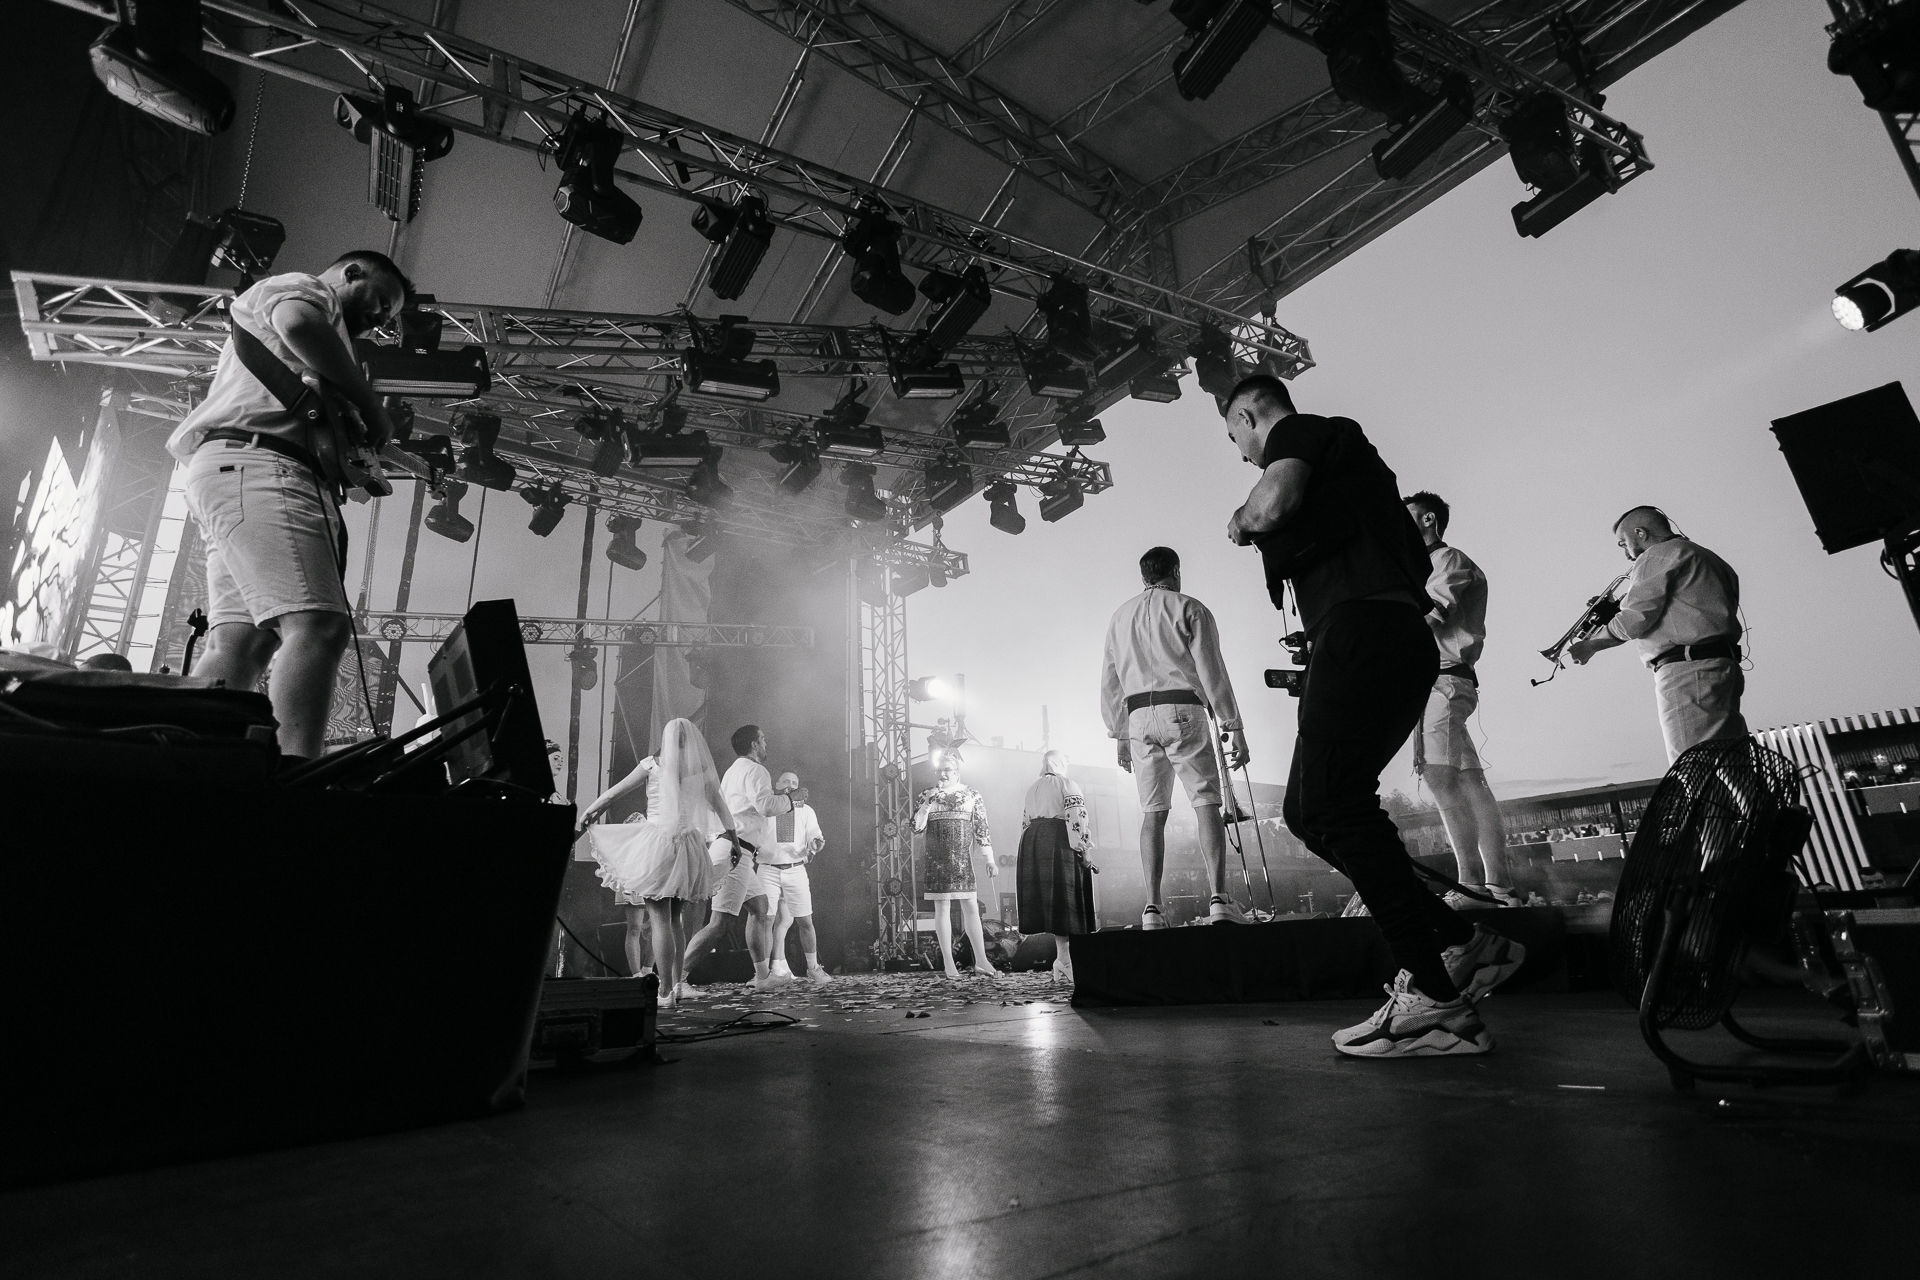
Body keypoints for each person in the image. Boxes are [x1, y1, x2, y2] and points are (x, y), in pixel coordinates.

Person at [1224, 374, 1523, 1058]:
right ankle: (1459, 941)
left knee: (1337, 804)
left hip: (1364, 629)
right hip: (1383, 636)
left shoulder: (1302, 431)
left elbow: (1272, 503)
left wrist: (1240, 520)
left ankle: (1438, 1003)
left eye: (1237, 438)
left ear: (1246, 416)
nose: (1243, 454)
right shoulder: (1352, 473)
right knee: (1309, 811)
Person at [166, 251, 408, 763]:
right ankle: (297, 776)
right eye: (381, 301)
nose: (380, 318)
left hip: (234, 470)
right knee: (319, 626)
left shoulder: (325, 347)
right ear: (351, 273)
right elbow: (297, 324)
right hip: (263, 467)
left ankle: (191, 765)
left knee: (241, 644)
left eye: (388, 316)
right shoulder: (306, 290)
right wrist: (368, 404)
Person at [1100, 546, 1250, 929]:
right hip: (1183, 709)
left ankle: (1152, 907)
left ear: (1144, 577)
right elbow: (1212, 669)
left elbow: (1110, 680)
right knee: (1206, 802)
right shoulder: (1190, 608)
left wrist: (1120, 734)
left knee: (1153, 812)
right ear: (1176, 572)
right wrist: (1233, 724)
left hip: (1138, 717)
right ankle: (1219, 899)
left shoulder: (1120, 616)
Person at [1402, 491, 1516, 909]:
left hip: (1443, 681)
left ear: (1428, 520)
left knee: (1439, 777)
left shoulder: (1447, 560)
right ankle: (1498, 885)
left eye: (1406, 517)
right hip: (1441, 682)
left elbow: (1432, 616)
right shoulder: (1423, 566)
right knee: (1470, 783)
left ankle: (1472, 885)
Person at [578, 718, 738, 1009]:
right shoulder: (700, 772)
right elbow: (721, 808)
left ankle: (664, 992)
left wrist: (587, 814)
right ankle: (676, 985)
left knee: (659, 919)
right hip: (689, 847)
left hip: (659, 845)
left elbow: (614, 794)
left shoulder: (652, 765)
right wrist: (735, 841)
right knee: (675, 919)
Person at [1567, 506, 1746, 762]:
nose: (1626, 553)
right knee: (1732, 765)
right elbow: (1688, 608)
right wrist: (1615, 607)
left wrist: (1591, 645)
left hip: (1687, 670)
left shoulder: (1656, 555)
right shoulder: (1708, 557)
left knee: (1691, 765)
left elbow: (1635, 619)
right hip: (1722, 665)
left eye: (1623, 543)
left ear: (1640, 533)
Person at [682, 724, 806, 992]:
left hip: (738, 851)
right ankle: (674, 980)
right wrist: (790, 799)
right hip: (735, 851)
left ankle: (762, 977)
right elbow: (765, 805)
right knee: (720, 924)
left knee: (760, 908)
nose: (766, 743)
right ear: (754, 744)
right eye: (763, 739)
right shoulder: (756, 770)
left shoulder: (733, 770)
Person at [913, 746, 999, 978]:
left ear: (957, 772)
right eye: (939, 770)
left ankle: (982, 960)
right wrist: (927, 803)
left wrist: (989, 859)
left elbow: (981, 828)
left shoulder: (971, 794)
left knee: (971, 907)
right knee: (942, 908)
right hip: (936, 861)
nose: (942, 774)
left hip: (962, 860)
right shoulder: (927, 794)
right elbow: (916, 827)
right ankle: (949, 963)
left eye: (947, 770)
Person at [1017, 751, 1097, 984]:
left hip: (1033, 841)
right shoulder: (1067, 783)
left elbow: (1025, 821)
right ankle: (1066, 961)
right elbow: (1077, 817)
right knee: (1065, 900)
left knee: (1055, 903)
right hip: (1059, 839)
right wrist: (1085, 849)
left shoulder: (1032, 787)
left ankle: (1063, 959)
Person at [764, 769, 832, 985]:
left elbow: (815, 835)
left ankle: (813, 967)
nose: (790, 785)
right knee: (766, 920)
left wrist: (816, 844)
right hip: (767, 869)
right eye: (785, 781)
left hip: (795, 869)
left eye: (794, 782)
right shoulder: (767, 807)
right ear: (776, 784)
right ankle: (768, 971)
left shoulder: (806, 811)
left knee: (804, 920)